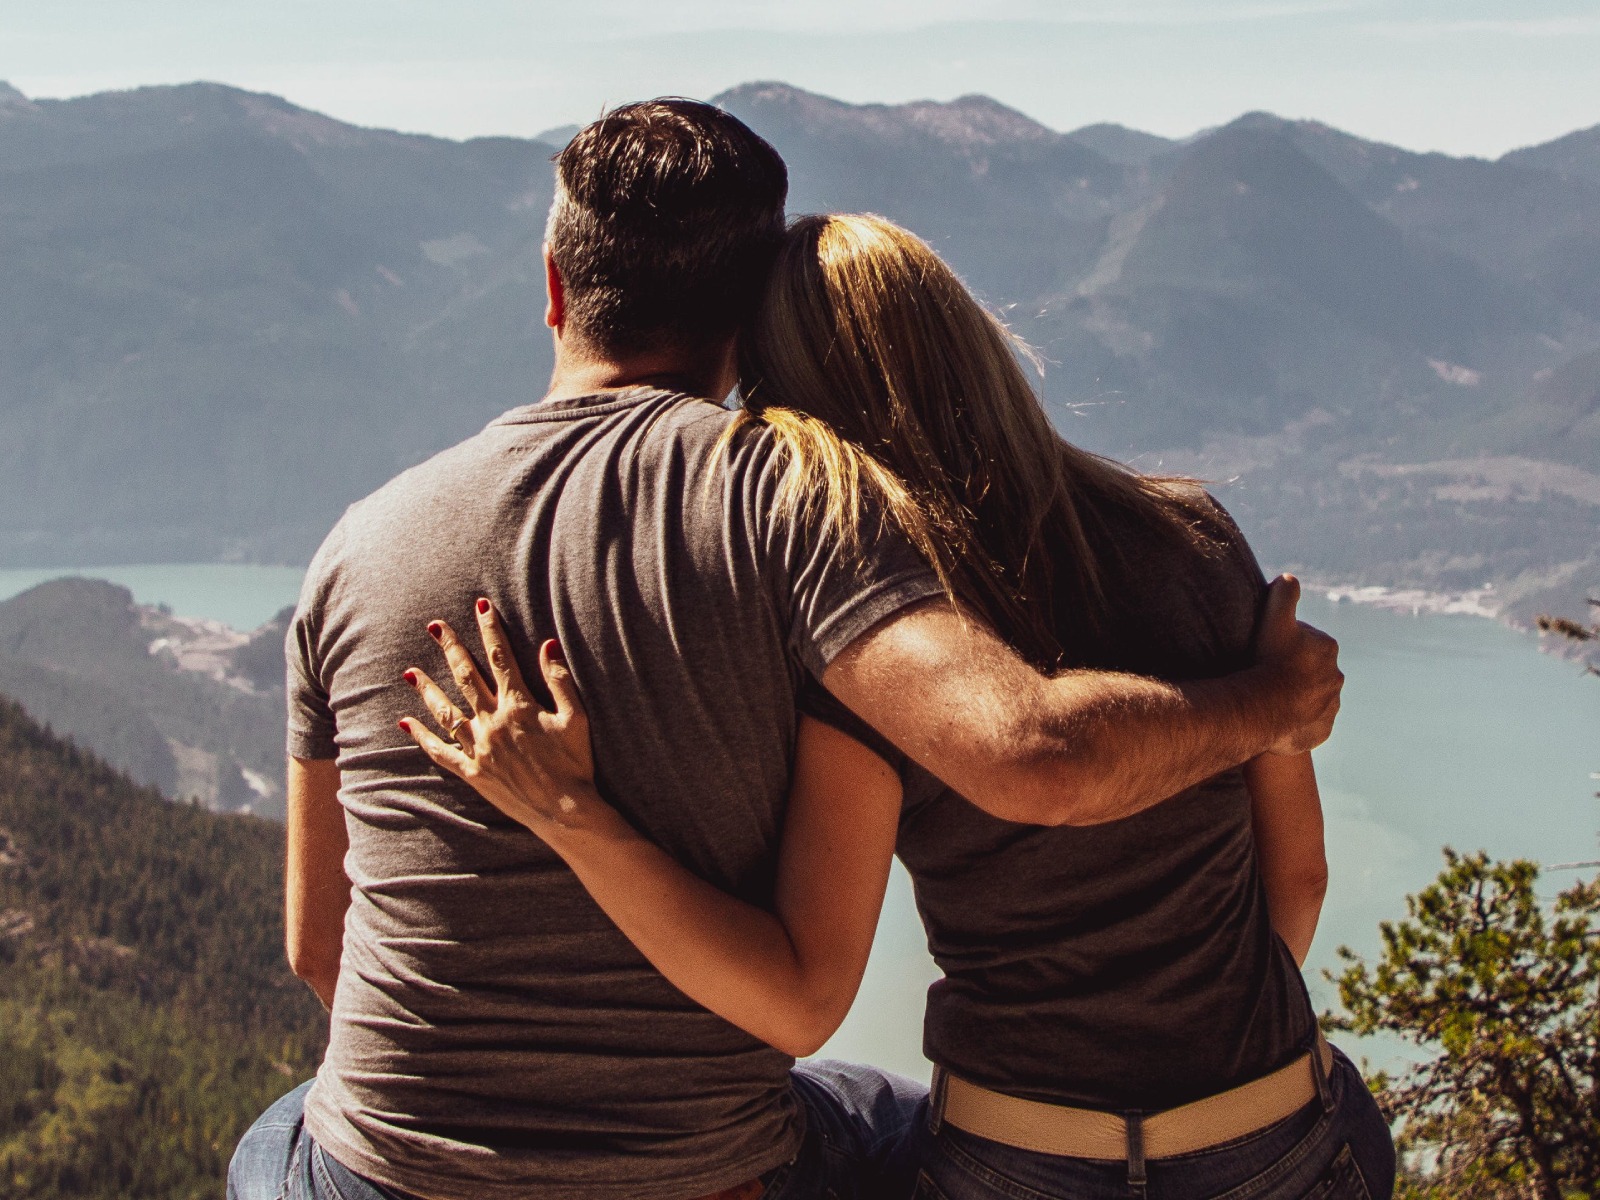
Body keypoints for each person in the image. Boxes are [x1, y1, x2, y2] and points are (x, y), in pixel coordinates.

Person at [231, 98, 1344, 1200]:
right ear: (744, 315)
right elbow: (1026, 764)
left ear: (556, 287)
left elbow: (321, 953)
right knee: (886, 1116)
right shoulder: (800, 505)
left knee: (280, 1131)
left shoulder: (354, 545)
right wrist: (1268, 705)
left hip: (378, 1172)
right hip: (706, 1175)